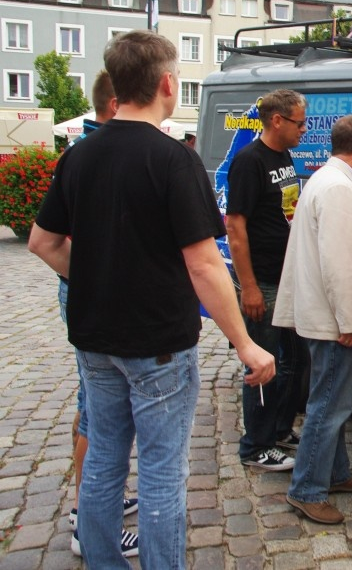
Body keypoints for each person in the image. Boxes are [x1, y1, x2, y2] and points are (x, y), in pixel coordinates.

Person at [28, 30, 276, 569]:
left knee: (103, 464)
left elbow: (42, 243)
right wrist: (246, 344)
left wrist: (98, 276)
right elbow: (205, 263)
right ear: (167, 82)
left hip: (94, 341)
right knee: (163, 471)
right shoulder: (173, 159)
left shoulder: (79, 157)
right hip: (158, 344)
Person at [274, 115, 352, 524]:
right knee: (328, 406)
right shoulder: (337, 188)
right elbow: (341, 266)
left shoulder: (325, 180)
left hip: (323, 314)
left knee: (332, 401)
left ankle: (334, 473)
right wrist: (349, 320)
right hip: (333, 320)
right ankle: (307, 489)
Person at [59, 70, 140, 557]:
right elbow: (54, 240)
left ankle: (93, 506)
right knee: (95, 413)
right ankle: (87, 521)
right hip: (91, 297)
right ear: (117, 104)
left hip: (82, 294)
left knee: (89, 404)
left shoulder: (84, 152)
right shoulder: (91, 157)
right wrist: (101, 277)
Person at [226, 89, 310, 471]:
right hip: (263, 280)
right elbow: (236, 227)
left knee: (294, 361)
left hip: (287, 276)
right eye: (299, 122)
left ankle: (277, 430)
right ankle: (254, 446)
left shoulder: (284, 156)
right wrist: (251, 286)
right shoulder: (249, 162)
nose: (304, 130)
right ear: (277, 120)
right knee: (263, 363)